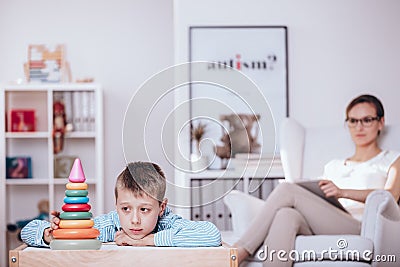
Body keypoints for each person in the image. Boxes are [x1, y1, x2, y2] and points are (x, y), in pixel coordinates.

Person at [234, 94, 400, 266]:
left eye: (367, 120)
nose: (359, 127)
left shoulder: (392, 160)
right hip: (325, 222)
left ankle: (238, 252)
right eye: (353, 120)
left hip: (360, 225)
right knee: (286, 215)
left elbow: (391, 197)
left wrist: (343, 192)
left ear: (380, 122)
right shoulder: (333, 165)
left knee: (287, 190)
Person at [21, 162, 221, 247]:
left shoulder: (168, 223)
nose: (134, 220)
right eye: (126, 209)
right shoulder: (111, 225)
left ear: (161, 208)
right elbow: (28, 231)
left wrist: (145, 241)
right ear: (116, 205)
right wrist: (50, 233)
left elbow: (211, 234)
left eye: (144, 209)